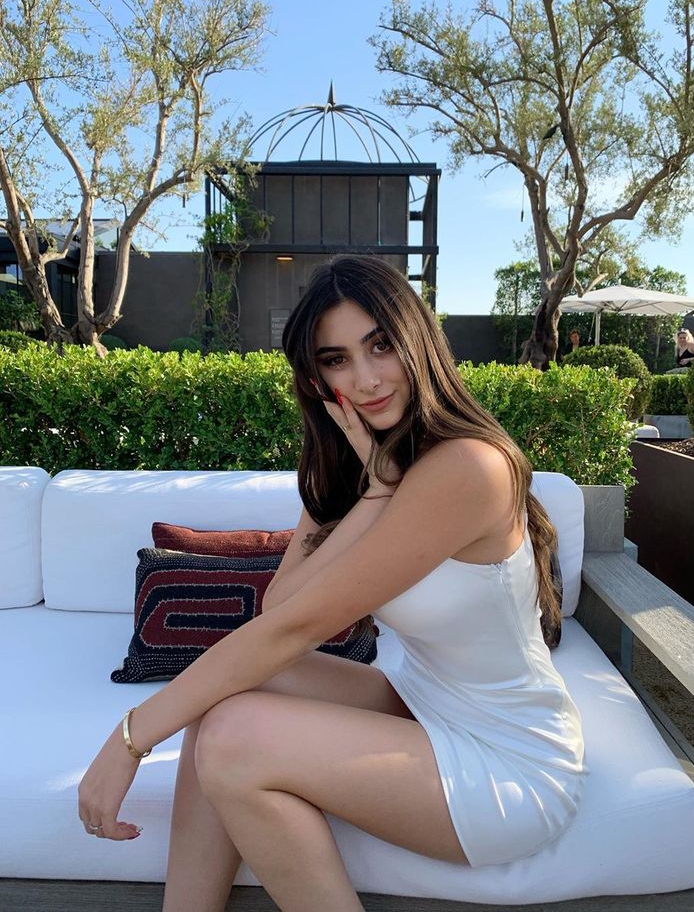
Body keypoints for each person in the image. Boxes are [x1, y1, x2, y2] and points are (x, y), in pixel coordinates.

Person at [77, 254, 587, 911]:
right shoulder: (375, 466)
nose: (366, 379)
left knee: (233, 737)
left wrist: (131, 738)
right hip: (426, 706)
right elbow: (279, 608)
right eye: (337, 359)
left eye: (380, 345)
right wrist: (373, 492)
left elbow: (295, 626)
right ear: (317, 378)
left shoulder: (467, 467)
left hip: (510, 761)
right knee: (227, 693)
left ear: (418, 341)